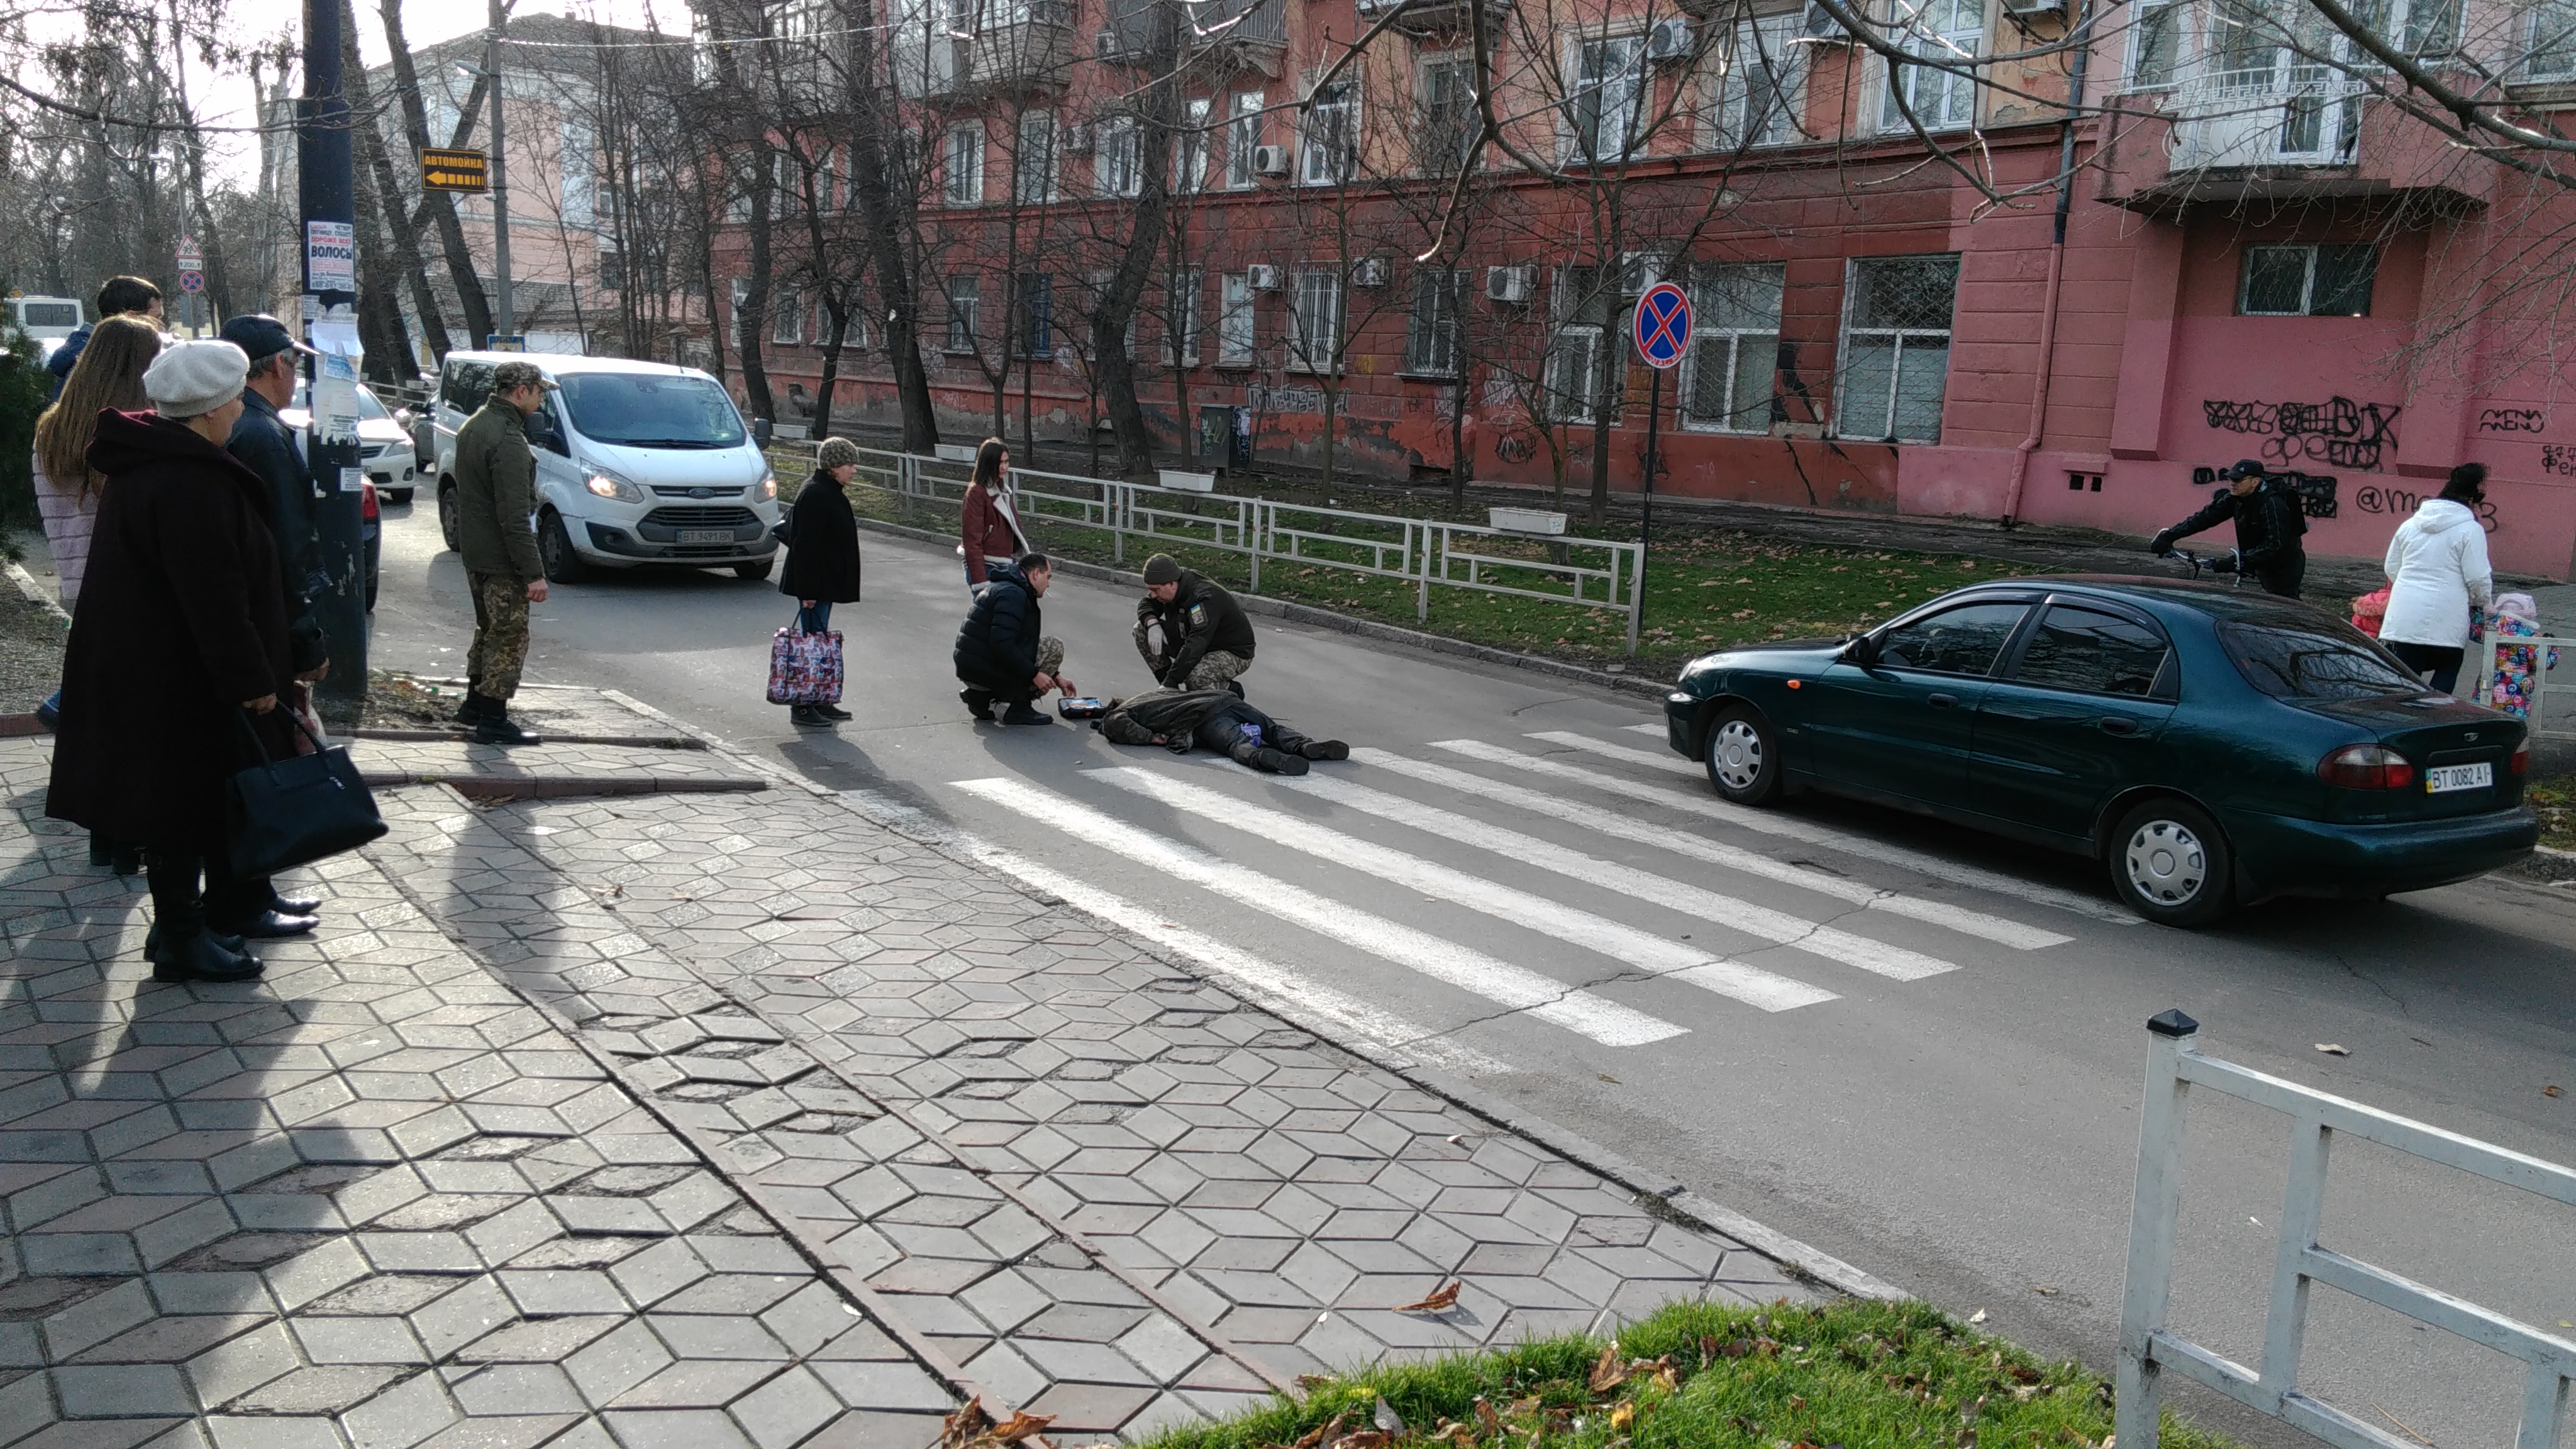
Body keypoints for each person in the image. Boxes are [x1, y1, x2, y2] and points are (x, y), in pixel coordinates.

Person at [45, 340, 299, 983]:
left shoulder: (158, 465)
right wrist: (253, 681)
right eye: (235, 395)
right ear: (212, 407)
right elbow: (212, 597)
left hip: (165, 673)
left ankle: (193, 926)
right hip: (181, 681)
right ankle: (182, 937)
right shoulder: (189, 481)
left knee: (184, 805)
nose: (241, 405)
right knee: (180, 811)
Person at [28, 314, 162, 836]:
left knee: (105, 707)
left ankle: (104, 835)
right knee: (138, 714)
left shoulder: (52, 427)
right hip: (126, 585)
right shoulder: (131, 434)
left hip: (73, 583)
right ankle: (127, 831)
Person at [451, 360, 554, 745]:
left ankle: (474, 706)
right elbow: (514, 517)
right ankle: (493, 719)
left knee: (488, 629)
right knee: (509, 635)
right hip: (502, 558)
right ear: (522, 391)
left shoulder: (475, 424)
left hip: (477, 552)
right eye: (539, 392)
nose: (541, 400)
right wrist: (533, 573)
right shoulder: (508, 439)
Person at [2377, 462, 2494, 695]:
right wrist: (2482, 602)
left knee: (2406, 678)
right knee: (2446, 670)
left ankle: (2403, 719)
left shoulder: (2409, 525)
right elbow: (2478, 577)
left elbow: (2392, 567)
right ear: (2472, 500)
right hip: (2447, 618)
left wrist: (2410, 587)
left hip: (2405, 617)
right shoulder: (2470, 530)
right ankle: (2434, 718)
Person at [779, 436, 865, 727]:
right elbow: (806, 547)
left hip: (823, 583)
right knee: (811, 647)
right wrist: (808, 592)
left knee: (820, 644)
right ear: (833, 466)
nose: (854, 470)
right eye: (849, 464)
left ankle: (821, 699)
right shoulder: (817, 494)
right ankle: (802, 707)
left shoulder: (828, 490)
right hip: (814, 587)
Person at [2148, 459, 2307, 599]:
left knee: (2284, 605)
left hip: (2284, 564)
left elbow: (2275, 545)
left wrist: (2239, 561)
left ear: (2255, 482)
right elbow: (2206, 517)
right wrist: (2171, 535)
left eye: (2238, 480)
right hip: (2259, 559)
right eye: (2231, 479)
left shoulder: (2272, 504)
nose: (2232, 483)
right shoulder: (2236, 498)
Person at [1097, 687, 1347, 775]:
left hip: (1205, 717)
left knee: (1236, 743)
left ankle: (1266, 760)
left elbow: (1116, 725)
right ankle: (1305, 746)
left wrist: (1151, 737)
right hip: (1227, 699)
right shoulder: (1155, 695)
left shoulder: (1124, 711)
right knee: (1271, 729)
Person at [954, 551, 1075, 725]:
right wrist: (1035, 675)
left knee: (1022, 652)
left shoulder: (1006, 586)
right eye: (1048, 577)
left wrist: (1056, 676)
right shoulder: (1014, 595)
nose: (1048, 584)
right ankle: (1020, 708)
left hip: (971, 668)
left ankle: (979, 696)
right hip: (983, 668)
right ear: (1035, 574)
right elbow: (1003, 645)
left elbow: (1021, 642)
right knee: (1054, 646)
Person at [1135, 552, 1257, 693]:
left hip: (1231, 651)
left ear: (1172, 584)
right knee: (1141, 630)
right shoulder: (1171, 585)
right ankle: (1171, 693)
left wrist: (1172, 680)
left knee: (1197, 678)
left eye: (1156, 590)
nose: (1154, 595)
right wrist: (1152, 624)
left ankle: (1229, 693)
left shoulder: (1203, 598)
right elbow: (1146, 603)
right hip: (1194, 640)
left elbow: (1196, 643)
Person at [47, 275, 165, 401]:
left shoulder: (90, 356)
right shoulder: (106, 363)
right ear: (132, 318)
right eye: (157, 318)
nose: (162, 326)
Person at [960, 438, 1030, 595]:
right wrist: (981, 583)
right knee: (990, 616)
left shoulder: (1002, 490)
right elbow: (972, 541)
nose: (1004, 467)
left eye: (1006, 462)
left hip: (1003, 564)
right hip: (986, 566)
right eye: (1000, 463)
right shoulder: (977, 493)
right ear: (988, 464)